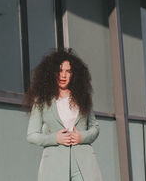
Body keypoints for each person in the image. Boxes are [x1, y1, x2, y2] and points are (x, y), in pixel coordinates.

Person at [24, 48, 102, 181]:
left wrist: (81, 137)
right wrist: (55, 138)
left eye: (68, 71)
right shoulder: (41, 101)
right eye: (59, 71)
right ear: (51, 73)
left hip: (84, 164)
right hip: (54, 165)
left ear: (74, 74)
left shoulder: (83, 98)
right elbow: (31, 135)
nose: (63, 75)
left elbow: (95, 127)